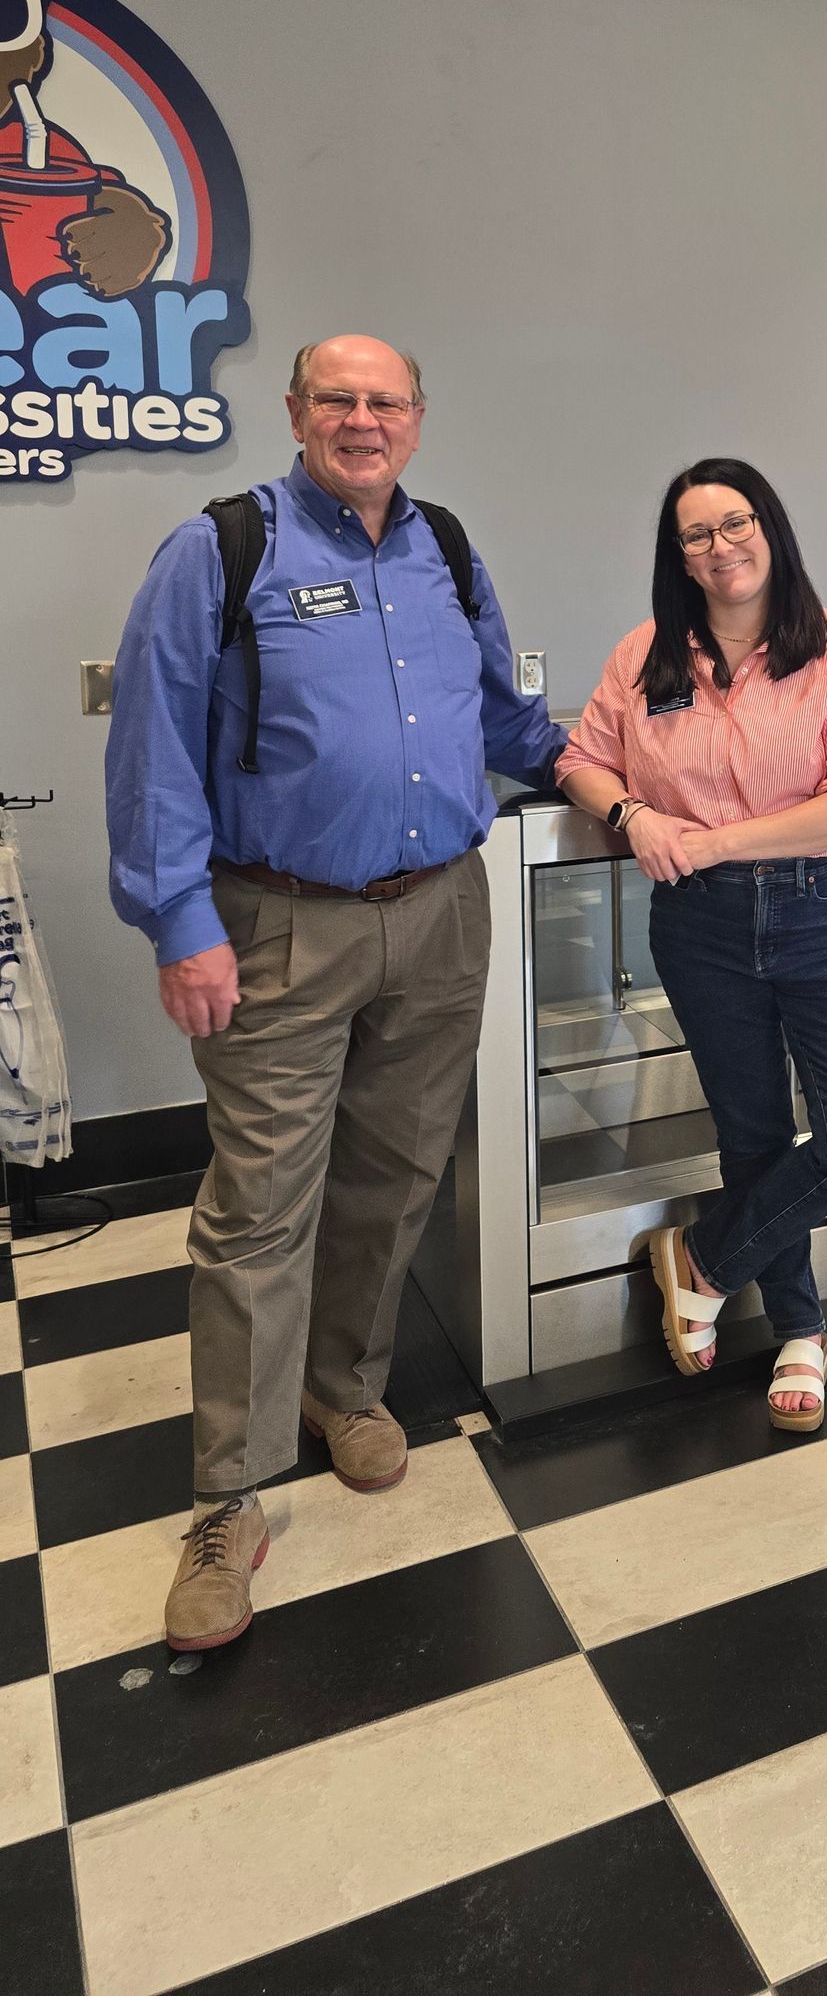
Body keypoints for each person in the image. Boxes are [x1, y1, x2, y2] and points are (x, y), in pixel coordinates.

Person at [105, 335, 566, 1651]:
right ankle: (226, 1497)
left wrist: (614, 776)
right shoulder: (221, 550)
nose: (363, 422)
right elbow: (154, 748)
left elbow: (500, 718)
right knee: (259, 1207)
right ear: (297, 412)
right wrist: (179, 923)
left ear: (418, 418)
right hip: (275, 929)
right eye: (338, 400)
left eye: (386, 402)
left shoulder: (447, 548)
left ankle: (343, 1389)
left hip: (437, 914)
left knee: (399, 1170)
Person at [558, 458, 827, 1431]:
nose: (721, 546)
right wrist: (630, 812)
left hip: (821, 913)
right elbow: (581, 760)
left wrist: (705, 838)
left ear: (771, 528)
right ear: (679, 556)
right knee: (750, 1134)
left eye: (736, 522)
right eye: (697, 534)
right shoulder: (647, 655)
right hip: (699, 926)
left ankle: (702, 1257)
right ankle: (800, 1330)